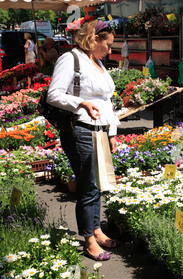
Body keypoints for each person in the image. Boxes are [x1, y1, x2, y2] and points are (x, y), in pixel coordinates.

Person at [46, 20, 121, 261]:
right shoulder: (71, 59)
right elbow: (54, 94)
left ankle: (96, 230)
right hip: (79, 130)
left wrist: (112, 132)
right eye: (108, 45)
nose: (110, 51)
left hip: (99, 130)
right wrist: (80, 103)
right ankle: (89, 240)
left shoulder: (98, 63)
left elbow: (107, 101)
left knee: (97, 183)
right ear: (95, 38)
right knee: (88, 186)